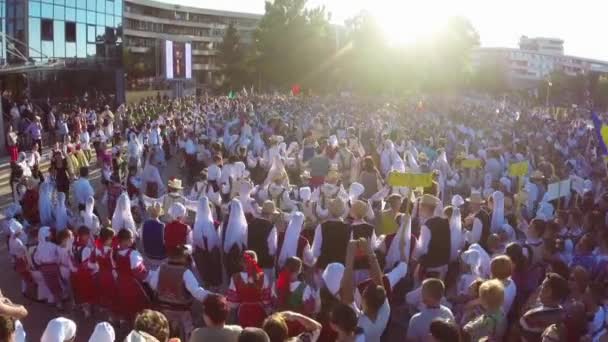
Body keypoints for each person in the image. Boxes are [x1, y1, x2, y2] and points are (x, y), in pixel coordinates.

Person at [148, 245, 211, 339]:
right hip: (182, 310)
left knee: (166, 331)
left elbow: (153, 285)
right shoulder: (185, 272)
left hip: (165, 309)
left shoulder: (162, 268)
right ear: (183, 257)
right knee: (188, 331)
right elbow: (196, 292)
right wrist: (212, 296)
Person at [227, 250, 272, 328]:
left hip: (243, 312)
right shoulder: (263, 276)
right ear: (256, 261)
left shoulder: (235, 277)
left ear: (241, 262)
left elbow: (233, 303)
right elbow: (266, 300)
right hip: (259, 311)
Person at [519, 273, 570, 341]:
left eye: (543, 286)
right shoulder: (562, 314)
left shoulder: (532, 317)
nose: (540, 288)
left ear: (549, 292)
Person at [114, 229, 151, 322]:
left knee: (126, 303)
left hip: (121, 283)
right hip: (133, 285)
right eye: (130, 238)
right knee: (139, 305)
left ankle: (126, 321)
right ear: (124, 241)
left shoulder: (116, 252)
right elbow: (141, 273)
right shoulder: (133, 254)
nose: (132, 240)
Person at [416, 194, 451, 280]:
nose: (419, 209)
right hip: (444, 265)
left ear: (425, 208)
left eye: (420, 206)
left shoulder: (427, 225)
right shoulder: (445, 222)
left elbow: (422, 250)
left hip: (432, 267)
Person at [192, 196, 222, 288]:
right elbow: (219, 239)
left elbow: (193, 240)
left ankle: (206, 283)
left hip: (200, 252)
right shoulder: (215, 224)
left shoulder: (195, 224)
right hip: (213, 252)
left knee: (203, 268)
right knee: (214, 268)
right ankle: (216, 285)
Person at [312, 198, 350, 270]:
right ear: (343, 211)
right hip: (342, 267)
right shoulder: (349, 228)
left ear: (329, 209)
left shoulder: (321, 226)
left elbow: (315, 251)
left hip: (324, 266)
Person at [70, 226, 97, 318]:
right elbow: (87, 264)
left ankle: (80, 306)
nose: (89, 237)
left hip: (75, 272)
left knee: (79, 291)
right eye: (88, 235)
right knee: (87, 292)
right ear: (84, 235)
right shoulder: (86, 249)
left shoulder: (74, 245)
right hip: (84, 274)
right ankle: (87, 311)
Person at [248, 201, 278, 280]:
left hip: (251, 262)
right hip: (265, 264)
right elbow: (272, 249)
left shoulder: (251, 223)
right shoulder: (271, 227)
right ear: (271, 214)